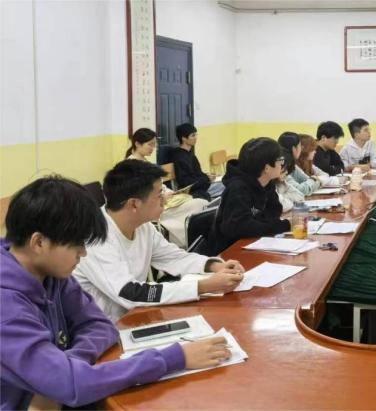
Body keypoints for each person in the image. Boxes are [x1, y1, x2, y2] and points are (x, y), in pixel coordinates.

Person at [0, 176, 231, 410]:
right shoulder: (7, 308)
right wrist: (173, 358)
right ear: (39, 243)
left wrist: (66, 366)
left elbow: (100, 326)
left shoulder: (51, 274)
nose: (83, 254)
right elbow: (70, 383)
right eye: (77, 245)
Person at [73, 160, 245, 321]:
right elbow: (131, 293)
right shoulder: (96, 238)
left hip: (135, 316)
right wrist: (204, 286)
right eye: (159, 194)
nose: (165, 200)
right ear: (134, 204)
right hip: (106, 328)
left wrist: (214, 266)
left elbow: (173, 257)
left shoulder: (143, 226)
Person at [205, 138, 291, 256]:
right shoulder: (238, 189)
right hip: (230, 251)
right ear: (266, 168)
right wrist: (281, 225)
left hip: (254, 243)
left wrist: (260, 224)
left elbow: (275, 210)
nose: (282, 164)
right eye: (280, 160)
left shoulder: (266, 182)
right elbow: (240, 227)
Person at [125, 128, 208, 248]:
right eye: (150, 144)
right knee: (193, 210)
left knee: (201, 203)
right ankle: (190, 241)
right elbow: (137, 193)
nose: (153, 148)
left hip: (164, 201)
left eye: (154, 144)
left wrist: (170, 192)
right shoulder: (130, 166)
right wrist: (161, 195)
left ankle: (196, 239)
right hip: (153, 207)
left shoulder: (145, 162)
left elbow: (160, 184)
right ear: (137, 144)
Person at [170, 123, 224, 200]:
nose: (196, 138)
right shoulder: (179, 157)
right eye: (193, 135)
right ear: (184, 138)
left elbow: (197, 174)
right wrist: (206, 178)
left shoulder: (190, 154)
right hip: (193, 191)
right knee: (226, 186)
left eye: (196, 135)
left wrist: (207, 176)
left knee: (227, 183)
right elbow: (185, 183)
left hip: (202, 186)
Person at [279, 132, 322, 196]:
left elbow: (308, 179)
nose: (301, 149)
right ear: (294, 149)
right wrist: (314, 179)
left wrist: (313, 180)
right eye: (300, 146)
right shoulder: (283, 166)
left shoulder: (292, 164)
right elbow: (301, 190)